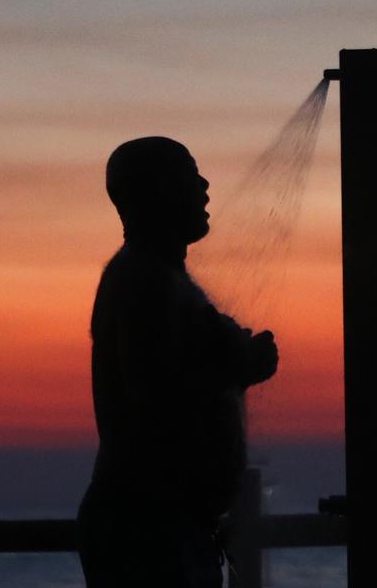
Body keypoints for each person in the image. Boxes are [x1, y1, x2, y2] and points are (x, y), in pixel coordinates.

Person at [78, 136, 279, 588]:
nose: (205, 187)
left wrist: (232, 359)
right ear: (157, 192)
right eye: (189, 176)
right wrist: (237, 363)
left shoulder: (152, 278)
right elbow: (160, 396)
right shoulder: (145, 282)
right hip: (150, 534)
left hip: (164, 527)